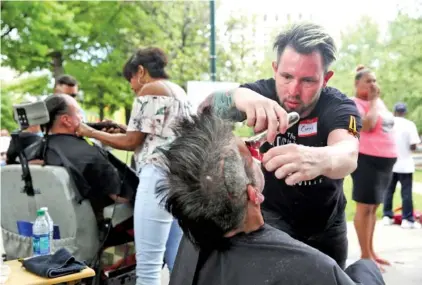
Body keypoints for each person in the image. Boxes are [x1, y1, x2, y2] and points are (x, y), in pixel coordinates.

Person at [198, 23, 362, 269]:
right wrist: (237, 96)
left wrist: (320, 159)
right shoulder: (259, 92)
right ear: (275, 70)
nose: (293, 91)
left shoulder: (339, 106)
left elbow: (348, 153)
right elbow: (204, 110)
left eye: (308, 80)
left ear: (325, 79)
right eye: (286, 77)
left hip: (327, 224)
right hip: (273, 216)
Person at [159, 109, 384, 285]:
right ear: (253, 194)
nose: (255, 147)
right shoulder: (315, 268)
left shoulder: (193, 240)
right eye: (250, 152)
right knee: (365, 268)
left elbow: (349, 141)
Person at [75, 47, 193, 285]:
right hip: (181, 180)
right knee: (177, 262)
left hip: (157, 177)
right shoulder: (178, 91)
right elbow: (157, 135)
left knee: (148, 267)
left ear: (140, 71)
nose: (132, 87)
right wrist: (120, 130)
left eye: (131, 80)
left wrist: (88, 131)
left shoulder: (149, 89)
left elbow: (131, 142)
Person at [351, 66, 397, 269]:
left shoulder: (377, 103)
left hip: (385, 161)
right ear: (357, 84)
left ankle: (371, 251)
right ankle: (365, 256)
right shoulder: (354, 104)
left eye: (374, 80)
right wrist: (374, 101)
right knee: (364, 207)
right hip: (367, 159)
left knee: (374, 208)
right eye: (368, 81)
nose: (373, 84)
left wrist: (376, 102)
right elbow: (367, 126)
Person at [383, 102, 421, 229]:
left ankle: (387, 216)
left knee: (389, 190)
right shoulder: (409, 124)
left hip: (390, 163)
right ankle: (406, 219)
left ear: (394, 112)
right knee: (406, 193)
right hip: (405, 165)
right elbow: (413, 145)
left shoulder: (388, 123)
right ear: (404, 112)